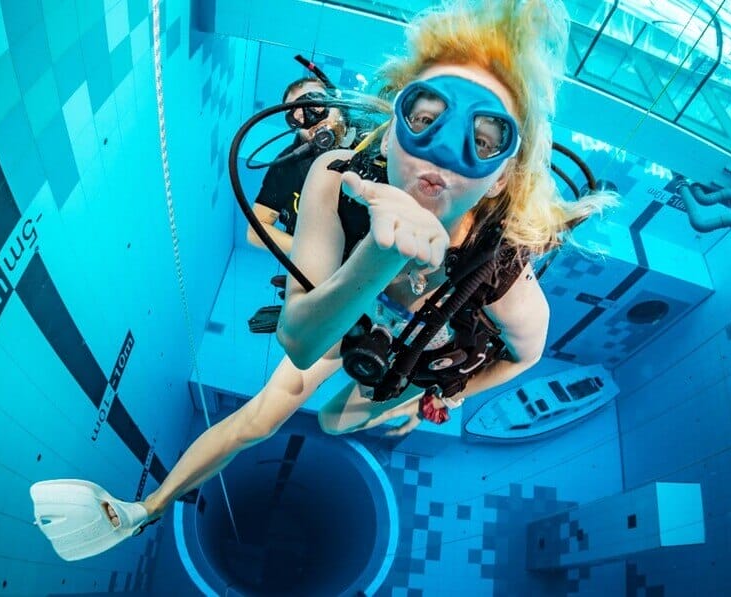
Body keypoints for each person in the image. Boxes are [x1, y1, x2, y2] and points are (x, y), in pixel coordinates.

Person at [31, 0, 616, 562]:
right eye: (424, 119)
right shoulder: (334, 177)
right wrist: (378, 255)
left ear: (499, 178)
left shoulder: (502, 273)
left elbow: (524, 356)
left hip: (424, 351)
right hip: (349, 316)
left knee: (338, 422)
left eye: (482, 141)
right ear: (390, 131)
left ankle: (400, 404)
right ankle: (145, 508)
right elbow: (300, 342)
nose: (444, 150)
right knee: (263, 416)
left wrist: (449, 393)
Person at [248, 77, 349, 254]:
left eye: (315, 106)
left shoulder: (372, 133)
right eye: (300, 117)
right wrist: (311, 254)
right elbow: (255, 232)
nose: (312, 120)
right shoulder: (287, 165)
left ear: (334, 102)